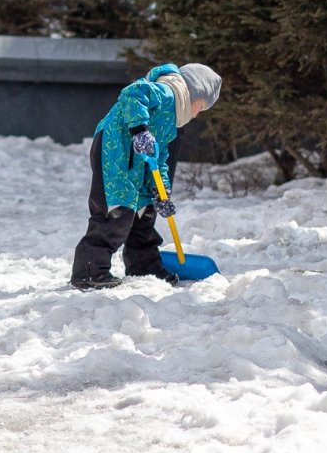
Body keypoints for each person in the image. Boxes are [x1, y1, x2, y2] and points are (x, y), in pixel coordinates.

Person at [70, 62, 223, 290]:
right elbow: (132, 93)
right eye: (199, 108)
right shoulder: (166, 92)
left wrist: (162, 191)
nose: (195, 115)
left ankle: (144, 265)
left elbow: (160, 159)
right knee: (117, 211)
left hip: (138, 163)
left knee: (145, 212)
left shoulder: (171, 123)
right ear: (193, 92)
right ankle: (88, 272)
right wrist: (139, 130)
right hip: (116, 153)